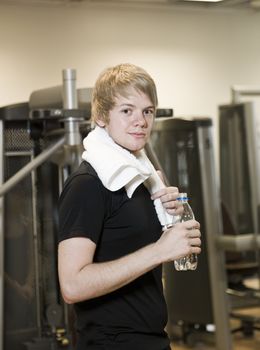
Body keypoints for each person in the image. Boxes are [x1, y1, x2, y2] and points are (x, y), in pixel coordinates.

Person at [58, 63, 201, 350]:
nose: (141, 121)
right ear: (101, 116)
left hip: (152, 338)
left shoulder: (139, 179)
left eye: (148, 111)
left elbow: (130, 246)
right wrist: (160, 250)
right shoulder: (87, 184)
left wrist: (166, 215)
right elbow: (72, 286)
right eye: (127, 110)